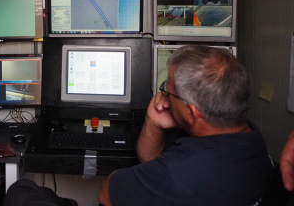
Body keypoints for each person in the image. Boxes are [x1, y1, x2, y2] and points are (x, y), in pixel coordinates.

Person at [99, 45, 273, 206]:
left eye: (167, 91)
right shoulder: (252, 139)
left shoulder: (178, 174)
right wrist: (153, 122)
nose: (164, 97)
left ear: (190, 113)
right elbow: (153, 163)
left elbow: (107, 194)